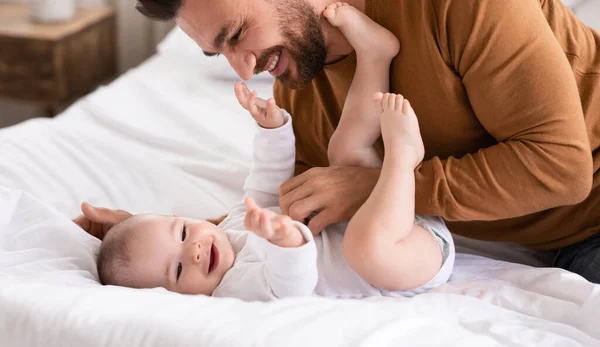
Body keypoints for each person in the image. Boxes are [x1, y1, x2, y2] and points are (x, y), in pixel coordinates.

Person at [116, 0, 600, 282]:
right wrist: (156, 242)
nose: (243, 68)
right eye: (218, 51)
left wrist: (374, 185)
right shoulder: (299, 82)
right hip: (550, 241)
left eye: (238, 33)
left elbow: (562, 167)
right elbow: (303, 211)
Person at [90, 77, 455, 299]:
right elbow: (289, 285)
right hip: (409, 258)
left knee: (342, 151)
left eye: (184, 233)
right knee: (365, 247)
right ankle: (402, 158)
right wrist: (287, 244)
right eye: (179, 272)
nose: (196, 252)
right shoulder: (235, 288)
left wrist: (273, 129)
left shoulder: (229, 229)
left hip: (390, 214)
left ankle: (374, 56)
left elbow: (266, 184)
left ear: (182, 217)